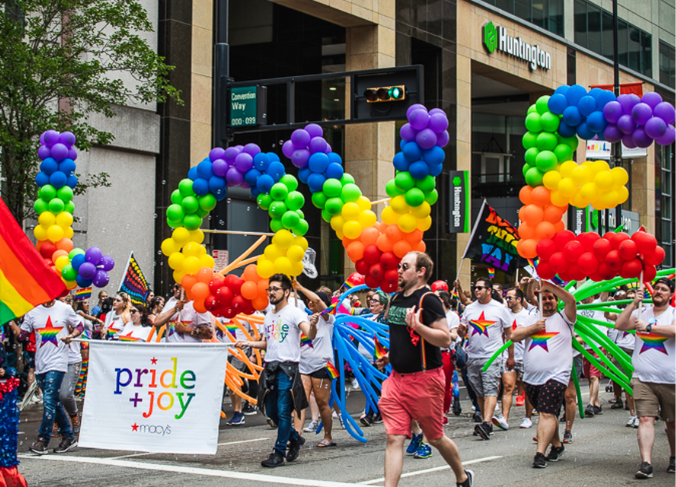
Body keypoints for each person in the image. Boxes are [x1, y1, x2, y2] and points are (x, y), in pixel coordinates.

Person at [377, 251, 472, 487]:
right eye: (399, 266)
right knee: (394, 438)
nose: (399, 270)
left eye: (405, 266)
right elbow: (401, 336)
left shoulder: (428, 300)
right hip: (396, 380)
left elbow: (444, 339)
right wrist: (390, 356)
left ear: (421, 272)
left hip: (425, 379)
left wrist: (419, 326)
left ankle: (462, 476)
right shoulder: (396, 298)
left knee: (435, 437)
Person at [236, 274, 316, 468]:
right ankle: (295, 438)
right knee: (269, 410)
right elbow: (267, 342)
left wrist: (313, 325)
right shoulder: (269, 316)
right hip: (269, 367)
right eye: (269, 289)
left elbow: (309, 334)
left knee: (282, 412)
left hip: (287, 368)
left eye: (275, 289)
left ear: (287, 292)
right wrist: (249, 343)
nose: (271, 292)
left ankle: (279, 452)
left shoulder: (295, 312)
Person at [511, 279, 577, 469]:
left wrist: (549, 286)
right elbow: (515, 335)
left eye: (551, 298)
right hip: (531, 377)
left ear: (557, 302)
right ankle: (556, 445)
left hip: (557, 376)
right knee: (545, 412)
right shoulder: (532, 317)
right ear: (538, 301)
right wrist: (534, 328)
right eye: (544, 298)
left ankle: (540, 453)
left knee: (547, 413)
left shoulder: (566, 317)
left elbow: (571, 300)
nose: (548, 301)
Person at [615, 278, 675, 479]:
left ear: (670, 294)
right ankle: (646, 463)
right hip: (643, 378)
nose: (658, 291)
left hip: (671, 379)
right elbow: (620, 324)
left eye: (663, 289)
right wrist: (633, 304)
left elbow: (674, 331)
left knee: (672, 423)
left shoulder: (673, 313)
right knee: (645, 418)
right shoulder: (642, 312)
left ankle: (674, 457)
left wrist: (648, 328)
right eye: (656, 288)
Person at [11, 299, 83, 454]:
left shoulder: (64, 308)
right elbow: (22, 336)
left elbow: (80, 325)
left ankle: (43, 440)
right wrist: (11, 321)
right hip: (40, 364)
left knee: (49, 400)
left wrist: (72, 335)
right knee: (54, 402)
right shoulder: (33, 312)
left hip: (58, 363)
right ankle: (68, 436)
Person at [457, 277, 514, 440]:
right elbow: (463, 333)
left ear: (489, 290)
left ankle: (487, 422)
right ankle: (485, 422)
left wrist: (510, 356)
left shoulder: (500, 308)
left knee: (490, 388)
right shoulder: (470, 309)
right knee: (479, 391)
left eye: (480, 288)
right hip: (473, 355)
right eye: (475, 287)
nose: (476, 290)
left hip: (492, 356)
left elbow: (509, 334)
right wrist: (462, 330)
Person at [292, 281, 336, 448]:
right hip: (303, 366)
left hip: (323, 365)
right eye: (308, 301)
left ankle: (328, 436)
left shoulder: (328, 319)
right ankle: (296, 434)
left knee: (322, 403)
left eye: (313, 301)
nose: (311, 303)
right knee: (300, 401)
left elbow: (318, 301)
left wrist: (300, 287)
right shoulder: (302, 318)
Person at [605, 289, 638, 427]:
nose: (628, 300)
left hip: (638, 351)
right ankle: (633, 414)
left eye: (631, 298)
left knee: (639, 384)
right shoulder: (622, 314)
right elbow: (608, 315)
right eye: (627, 298)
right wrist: (607, 304)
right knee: (627, 383)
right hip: (621, 350)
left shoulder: (644, 313)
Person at [504, 288, 533, 429]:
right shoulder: (504, 314)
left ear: (519, 299)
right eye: (506, 297)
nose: (507, 300)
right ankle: (504, 418)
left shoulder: (529, 316)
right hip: (508, 357)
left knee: (527, 389)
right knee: (508, 386)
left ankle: (528, 417)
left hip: (525, 356)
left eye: (510, 297)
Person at [578, 293, 609, 416]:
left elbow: (605, 292)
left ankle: (590, 404)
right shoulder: (579, 309)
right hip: (586, 347)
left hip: (598, 346)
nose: (584, 297)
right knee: (590, 377)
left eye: (586, 295)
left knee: (594, 376)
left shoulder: (598, 303)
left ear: (592, 296)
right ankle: (597, 405)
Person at [436, 290, 459, 421]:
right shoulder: (431, 315)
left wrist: (440, 332)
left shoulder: (452, 316)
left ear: (442, 300)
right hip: (431, 353)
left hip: (445, 353)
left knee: (445, 386)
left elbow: (454, 336)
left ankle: (443, 413)